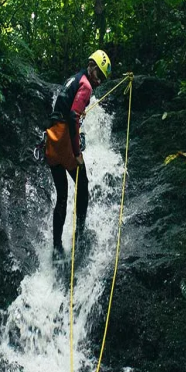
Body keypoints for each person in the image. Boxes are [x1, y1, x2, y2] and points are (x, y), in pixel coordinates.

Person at [45, 49, 111, 258]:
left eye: (103, 78)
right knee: (82, 184)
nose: (99, 81)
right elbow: (73, 116)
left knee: (62, 196)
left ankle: (56, 247)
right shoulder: (86, 85)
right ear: (91, 66)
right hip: (64, 141)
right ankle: (80, 234)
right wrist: (77, 152)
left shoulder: (73, 79)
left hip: (51, 139)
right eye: (99, 74)